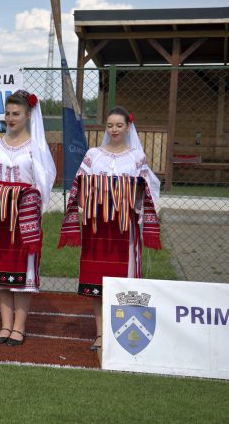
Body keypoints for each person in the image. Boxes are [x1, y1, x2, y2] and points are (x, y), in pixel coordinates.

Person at [58, 106, 162, 352]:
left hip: (124, 229)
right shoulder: (93, 155)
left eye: (119, 125)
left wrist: (126, 191)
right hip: (97, 227)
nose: (114, 130)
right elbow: (79, 185)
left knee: (123, 281)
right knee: (97, 282)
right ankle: (100, 333)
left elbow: (146, 189)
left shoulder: (136, 156)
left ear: (127, 128)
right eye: (110, 125)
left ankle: (122, 333)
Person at [0, 90, 56, 346]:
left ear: (28, 116)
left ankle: (19, 327)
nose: (11, 118)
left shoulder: (36, 148)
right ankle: (5, 325)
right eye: (7, 113)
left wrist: (25, 199)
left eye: (16, 113)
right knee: (1, 274)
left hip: (23, 219)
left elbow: (44, 182)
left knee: (22, 274)